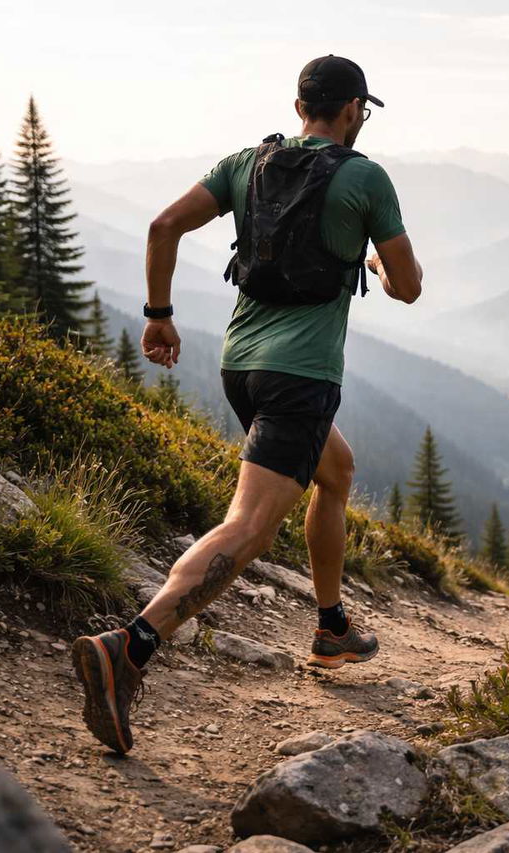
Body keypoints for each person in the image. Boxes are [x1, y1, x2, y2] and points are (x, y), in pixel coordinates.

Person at [72, 55, 423, 755]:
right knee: (251, 527)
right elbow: (407, 286)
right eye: (363, 111)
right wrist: (377, 263)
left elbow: (162, 227)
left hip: (242, 366)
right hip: (301, 378)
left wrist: (159, 315)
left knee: (335, 470)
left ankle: (331, 627)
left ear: (300, 108)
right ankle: (130, 646)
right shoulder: (365, 178)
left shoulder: (247, 163)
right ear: (353, 109)